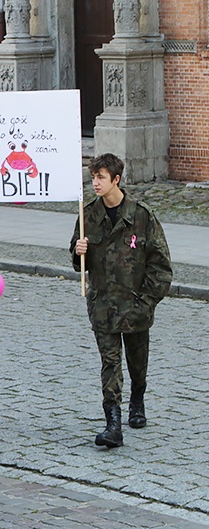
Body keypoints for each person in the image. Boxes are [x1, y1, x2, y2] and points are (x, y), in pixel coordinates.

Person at [71, 153, 172, 449]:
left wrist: (147, 301)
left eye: (101, 177)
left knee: (137, 362)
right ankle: (112, 422)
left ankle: (137, 398)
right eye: (93, 178)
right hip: (103, 306)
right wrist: (78, 252)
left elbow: (161, 265)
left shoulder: (141, 216)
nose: (95, 183)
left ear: (116, 179)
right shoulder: (88, 215)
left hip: (135, 306)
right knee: (110, 363)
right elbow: (80, 265)